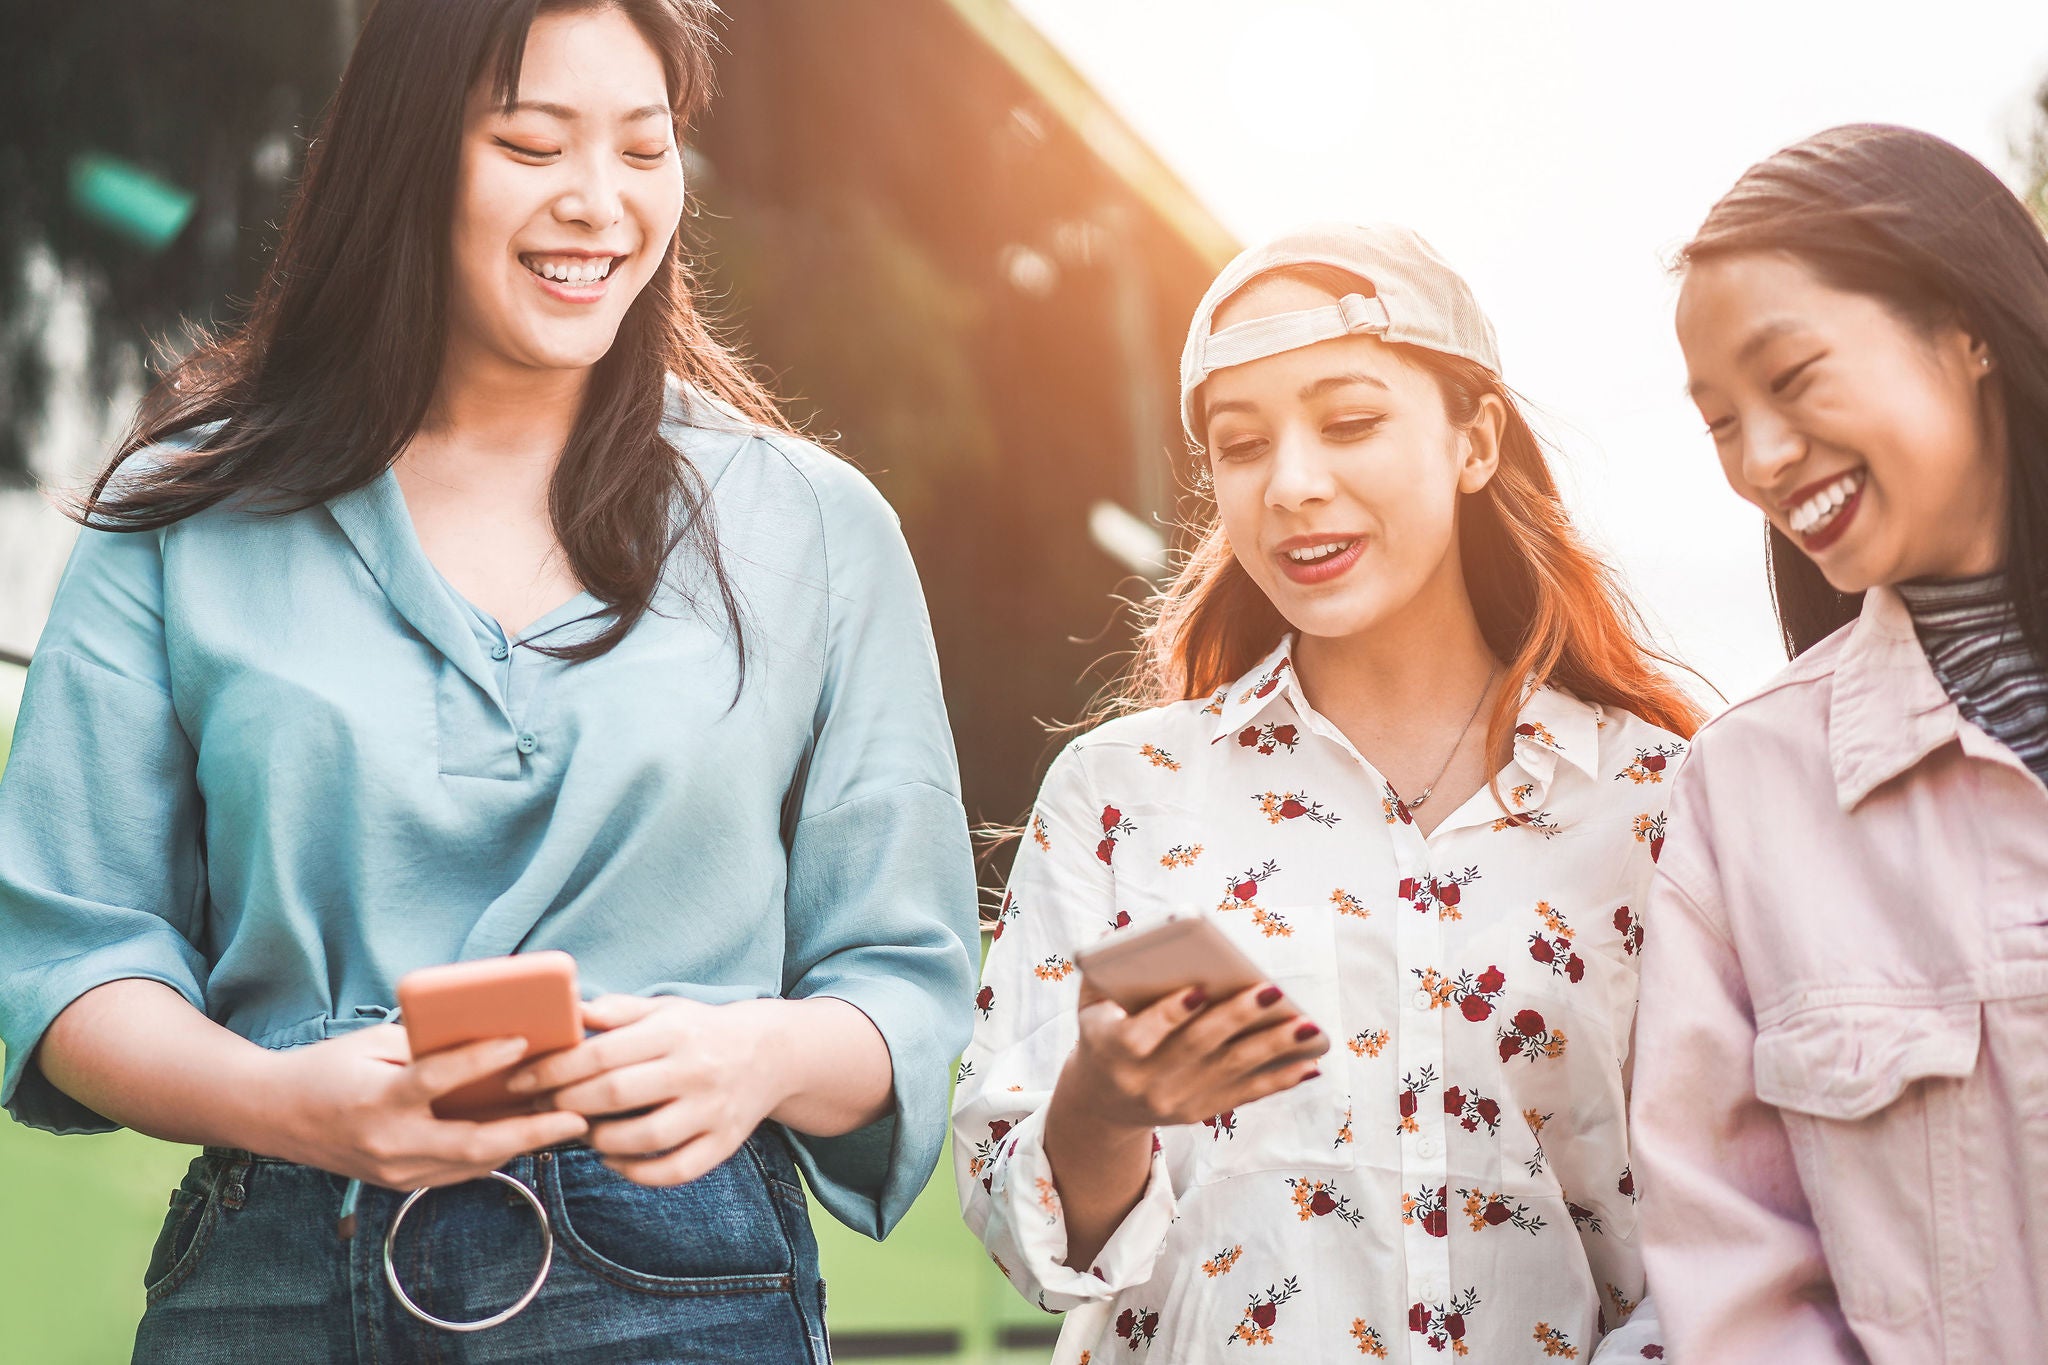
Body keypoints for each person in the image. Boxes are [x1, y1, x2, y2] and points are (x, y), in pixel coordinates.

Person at [0, 1, 976, 1359]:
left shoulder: (813, 524)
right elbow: (64, 959)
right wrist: (287, 1103)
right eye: (531, 144)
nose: (599, 204)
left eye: (645, 149)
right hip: (275, 1273)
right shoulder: (185, 510)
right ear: (409, 159)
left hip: (678, 1273)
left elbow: (905, 977)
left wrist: (754, 1055)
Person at [953, 223, 1702, 1362]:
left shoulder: (1656, 805)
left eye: (1348, 422)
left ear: (1474, 440)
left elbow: (1716, 1246)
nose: (1292, 484)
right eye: (1240, 447)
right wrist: (1103, 1107)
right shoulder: (1126, 792)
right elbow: (1027, 1237)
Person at [1634, 122, 2048, 1364]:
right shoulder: (1743, 792)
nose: (1758, 459)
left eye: (1792, 376)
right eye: (1718, 422)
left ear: (1964, 324)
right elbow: (1736, 1281)